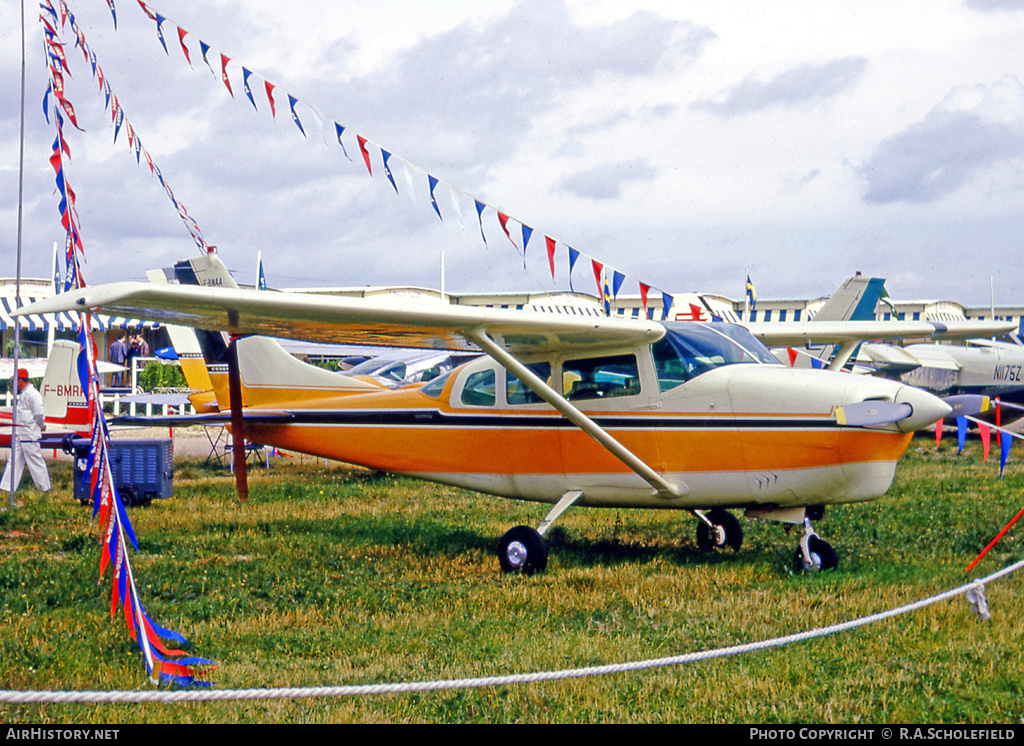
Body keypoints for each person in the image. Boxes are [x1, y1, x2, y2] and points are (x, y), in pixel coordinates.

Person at [1, 369, 51, 493]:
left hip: (29, 434)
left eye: (15, 381)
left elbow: (39, 414)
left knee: (35, 460)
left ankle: (44, 487)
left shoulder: (33, 394)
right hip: (21, 433)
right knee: (14, 460)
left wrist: (41, 425)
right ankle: (7, 486)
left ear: (20, 380)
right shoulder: (24, 394)